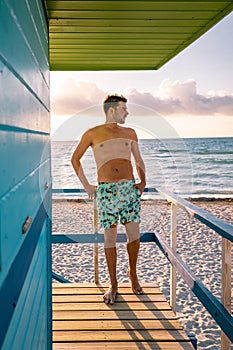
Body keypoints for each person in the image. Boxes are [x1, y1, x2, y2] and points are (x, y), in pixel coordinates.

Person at [71, 94, 146, 304]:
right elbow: (75, 159)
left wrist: (143, 181)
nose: (127, 112)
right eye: (124, 109)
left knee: (134, 235)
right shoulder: (92, 133)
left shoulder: (130, 132)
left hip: (129, 189)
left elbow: (138, 160)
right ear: (112, 110)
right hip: (106, 191)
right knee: (110, 238)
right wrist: (87, 186)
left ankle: (133, 273)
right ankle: (113, 284)